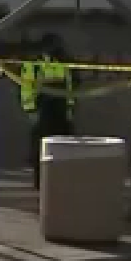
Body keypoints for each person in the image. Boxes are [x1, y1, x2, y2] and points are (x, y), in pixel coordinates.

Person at [17, 34, 76, 186]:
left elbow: (68, 87)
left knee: (63, 144)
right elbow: (26, 88)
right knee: (40, 146)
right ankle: (40, 182)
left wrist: (70, 108)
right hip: (41, 109)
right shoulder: (33, 65)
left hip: (59, 109)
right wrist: (30, 110)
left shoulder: (61, 64)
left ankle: (61, 180)